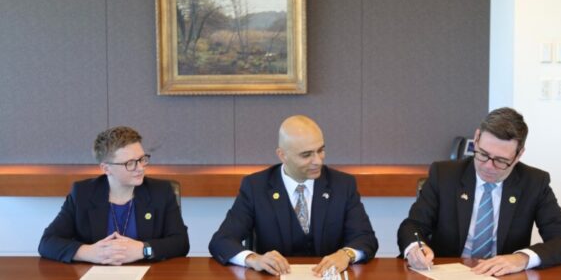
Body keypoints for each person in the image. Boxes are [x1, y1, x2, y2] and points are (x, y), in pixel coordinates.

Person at [397, 107, 561, 276]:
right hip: (446, 274)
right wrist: (415, 248)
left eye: (501, 160)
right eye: (483, 154)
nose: (488, 166)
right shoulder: (444, 175)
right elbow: (412, 226)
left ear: (518, 155)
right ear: (476, 139)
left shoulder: (533, 182)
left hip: (502, 276)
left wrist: (522, 258)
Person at [209, 115, 378, 276]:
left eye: (320, 150)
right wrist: (253, 259)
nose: (318, 160)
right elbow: (222, 240)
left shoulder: (343, 184)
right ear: (282, 155)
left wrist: (346, 254)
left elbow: (365, 238)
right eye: (307, 155)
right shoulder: (256, 186)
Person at [38, 126, 189, 264]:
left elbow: (181, 242)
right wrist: (87, 252)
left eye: (142, 159)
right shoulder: (83, 193)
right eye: (130, 163)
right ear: (106, 168)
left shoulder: (161, 192)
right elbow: (47, 242)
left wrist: (143, 249)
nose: (140, 168)